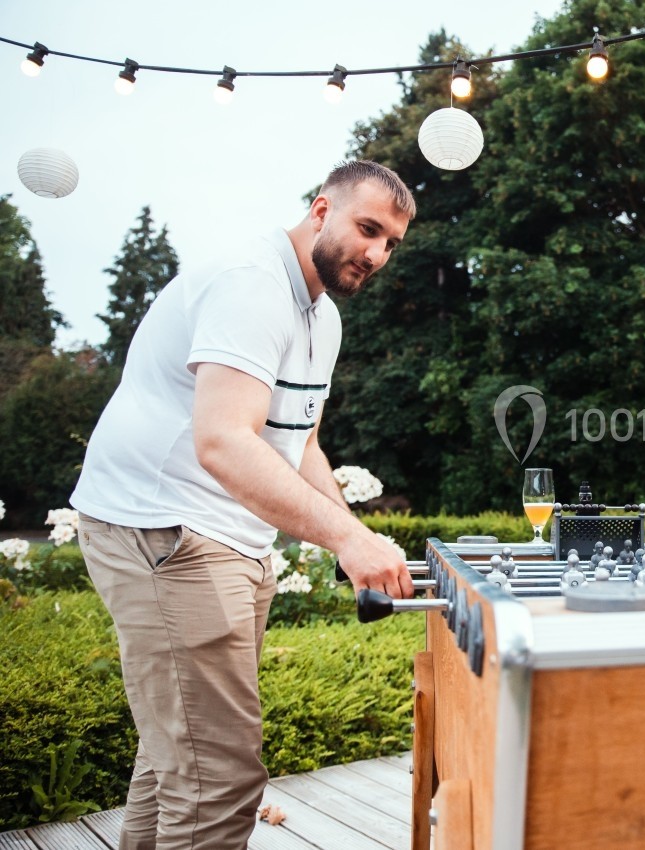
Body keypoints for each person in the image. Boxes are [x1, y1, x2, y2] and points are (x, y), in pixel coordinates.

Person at [70, 160, 417, 850]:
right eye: (367, 228)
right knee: (217, 779)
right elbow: (223, 442)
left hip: (232, 540)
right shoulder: (252, 285)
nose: (377, 254)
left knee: (178, 756)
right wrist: (347, 541)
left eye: (391, 244)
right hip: (164, 529)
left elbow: (300, 444)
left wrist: (353, 536)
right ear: (321, 210)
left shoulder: (323, 317)